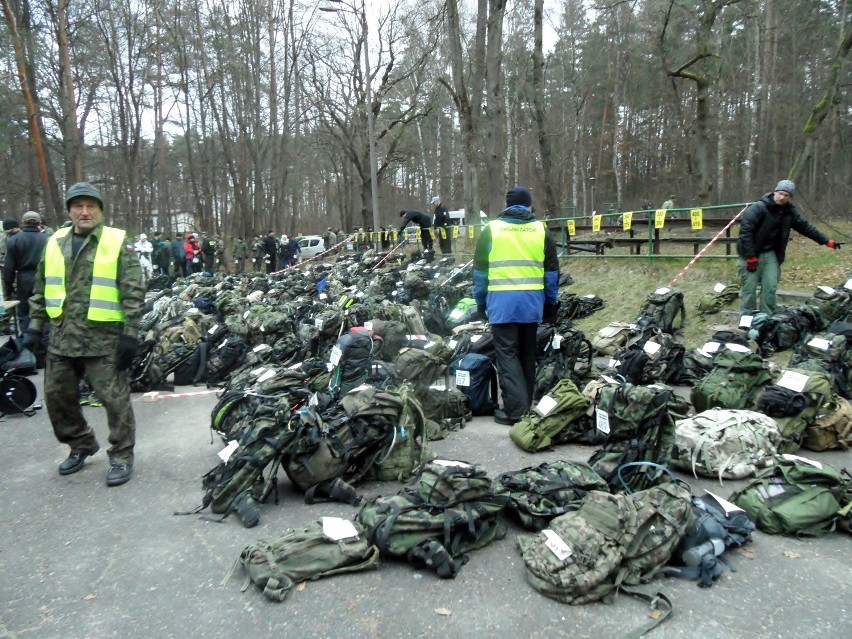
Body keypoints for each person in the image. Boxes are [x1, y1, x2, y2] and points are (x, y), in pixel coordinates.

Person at [22, 182, 144, 486]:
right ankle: (81, 444)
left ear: (101, 210)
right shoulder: (55, 241)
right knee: (56, 397)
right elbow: (41, 287)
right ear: (70, 211)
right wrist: (34, 327)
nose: (85, 212)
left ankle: (121, 455)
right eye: (78, 206)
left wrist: (131, 335)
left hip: (103, 340)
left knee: (115, 402)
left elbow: (132, 291)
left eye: (91, 206)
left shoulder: (117, 241)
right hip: (62, 338)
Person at [473, 186, 559, 426]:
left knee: (507, 355)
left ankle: (516, 411)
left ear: (507, 205)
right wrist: (550, 303)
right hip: (532, 304)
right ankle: (525, 405)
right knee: (526, 353)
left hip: (501, 304)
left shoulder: (492, 229)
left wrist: (480, 302)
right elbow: (552, 273)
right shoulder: (541, 230)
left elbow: (480, 273)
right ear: (529, 205)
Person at [737, 179, 842, 315]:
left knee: (770, 287)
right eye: (780, 194)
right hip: (750, 254)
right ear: (775, 192)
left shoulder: (789, 212)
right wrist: (750, 257)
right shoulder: (757, 208)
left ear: (789, 197)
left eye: (786, 195)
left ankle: (766, 319)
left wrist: (827, 241)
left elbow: (806, 227)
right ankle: (747, 319)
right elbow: (745, 234)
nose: (782, 198)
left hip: (771, 254)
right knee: (748, 288)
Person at [3, 211, 48, 333]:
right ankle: (42, 346)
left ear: (23, 222)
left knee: (25, 315)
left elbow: (8, 269)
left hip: (23, 281)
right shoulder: (49, 240)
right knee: (44, 314)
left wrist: (8, 289)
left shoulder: (14, 240)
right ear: (39, 223)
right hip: (44, 280)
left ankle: (27, 346)